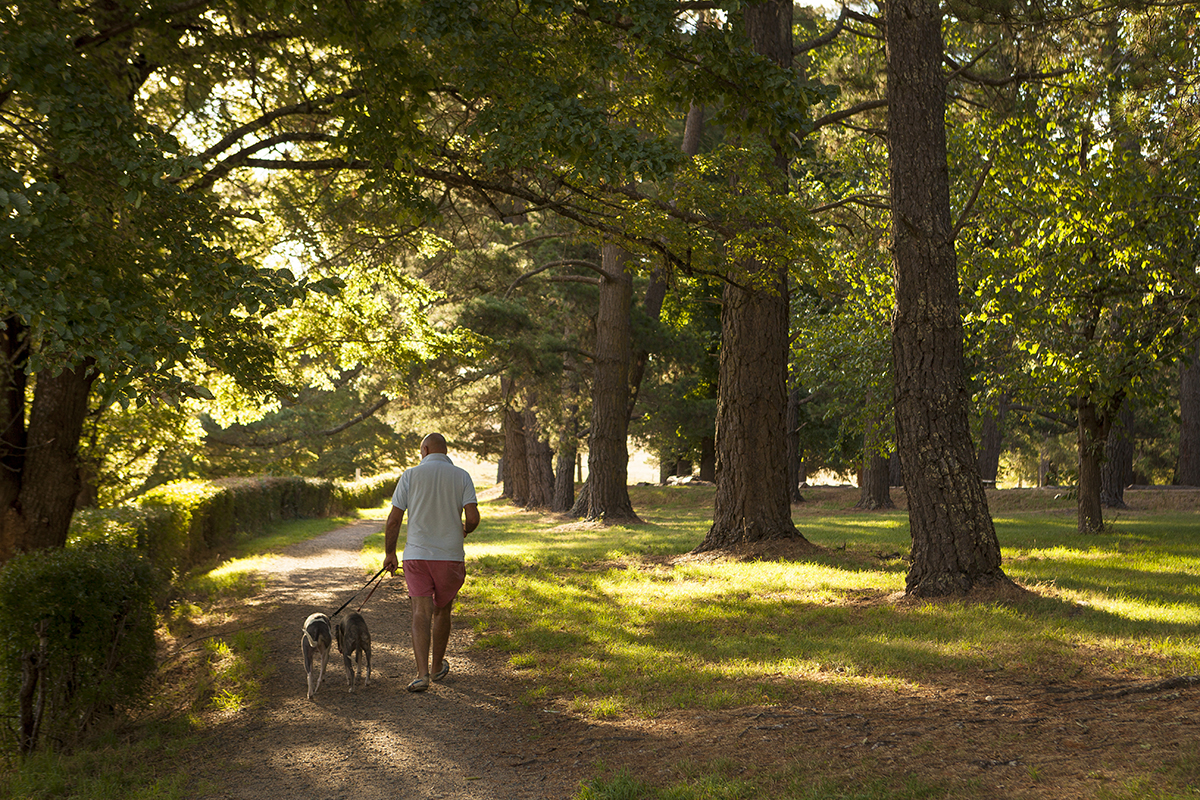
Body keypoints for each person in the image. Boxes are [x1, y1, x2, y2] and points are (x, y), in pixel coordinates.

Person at [382, 433, 480, 692]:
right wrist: (465, 530)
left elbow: (394, 520)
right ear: (444, 451)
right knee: (443, 611)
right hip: (449, 556)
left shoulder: (410, 475)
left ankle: (422, 674)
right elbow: (472, 517)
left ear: (424, 450)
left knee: (420, 612)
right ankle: (437, 667)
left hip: (416, 556)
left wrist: (390, 553)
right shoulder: (462, 476)